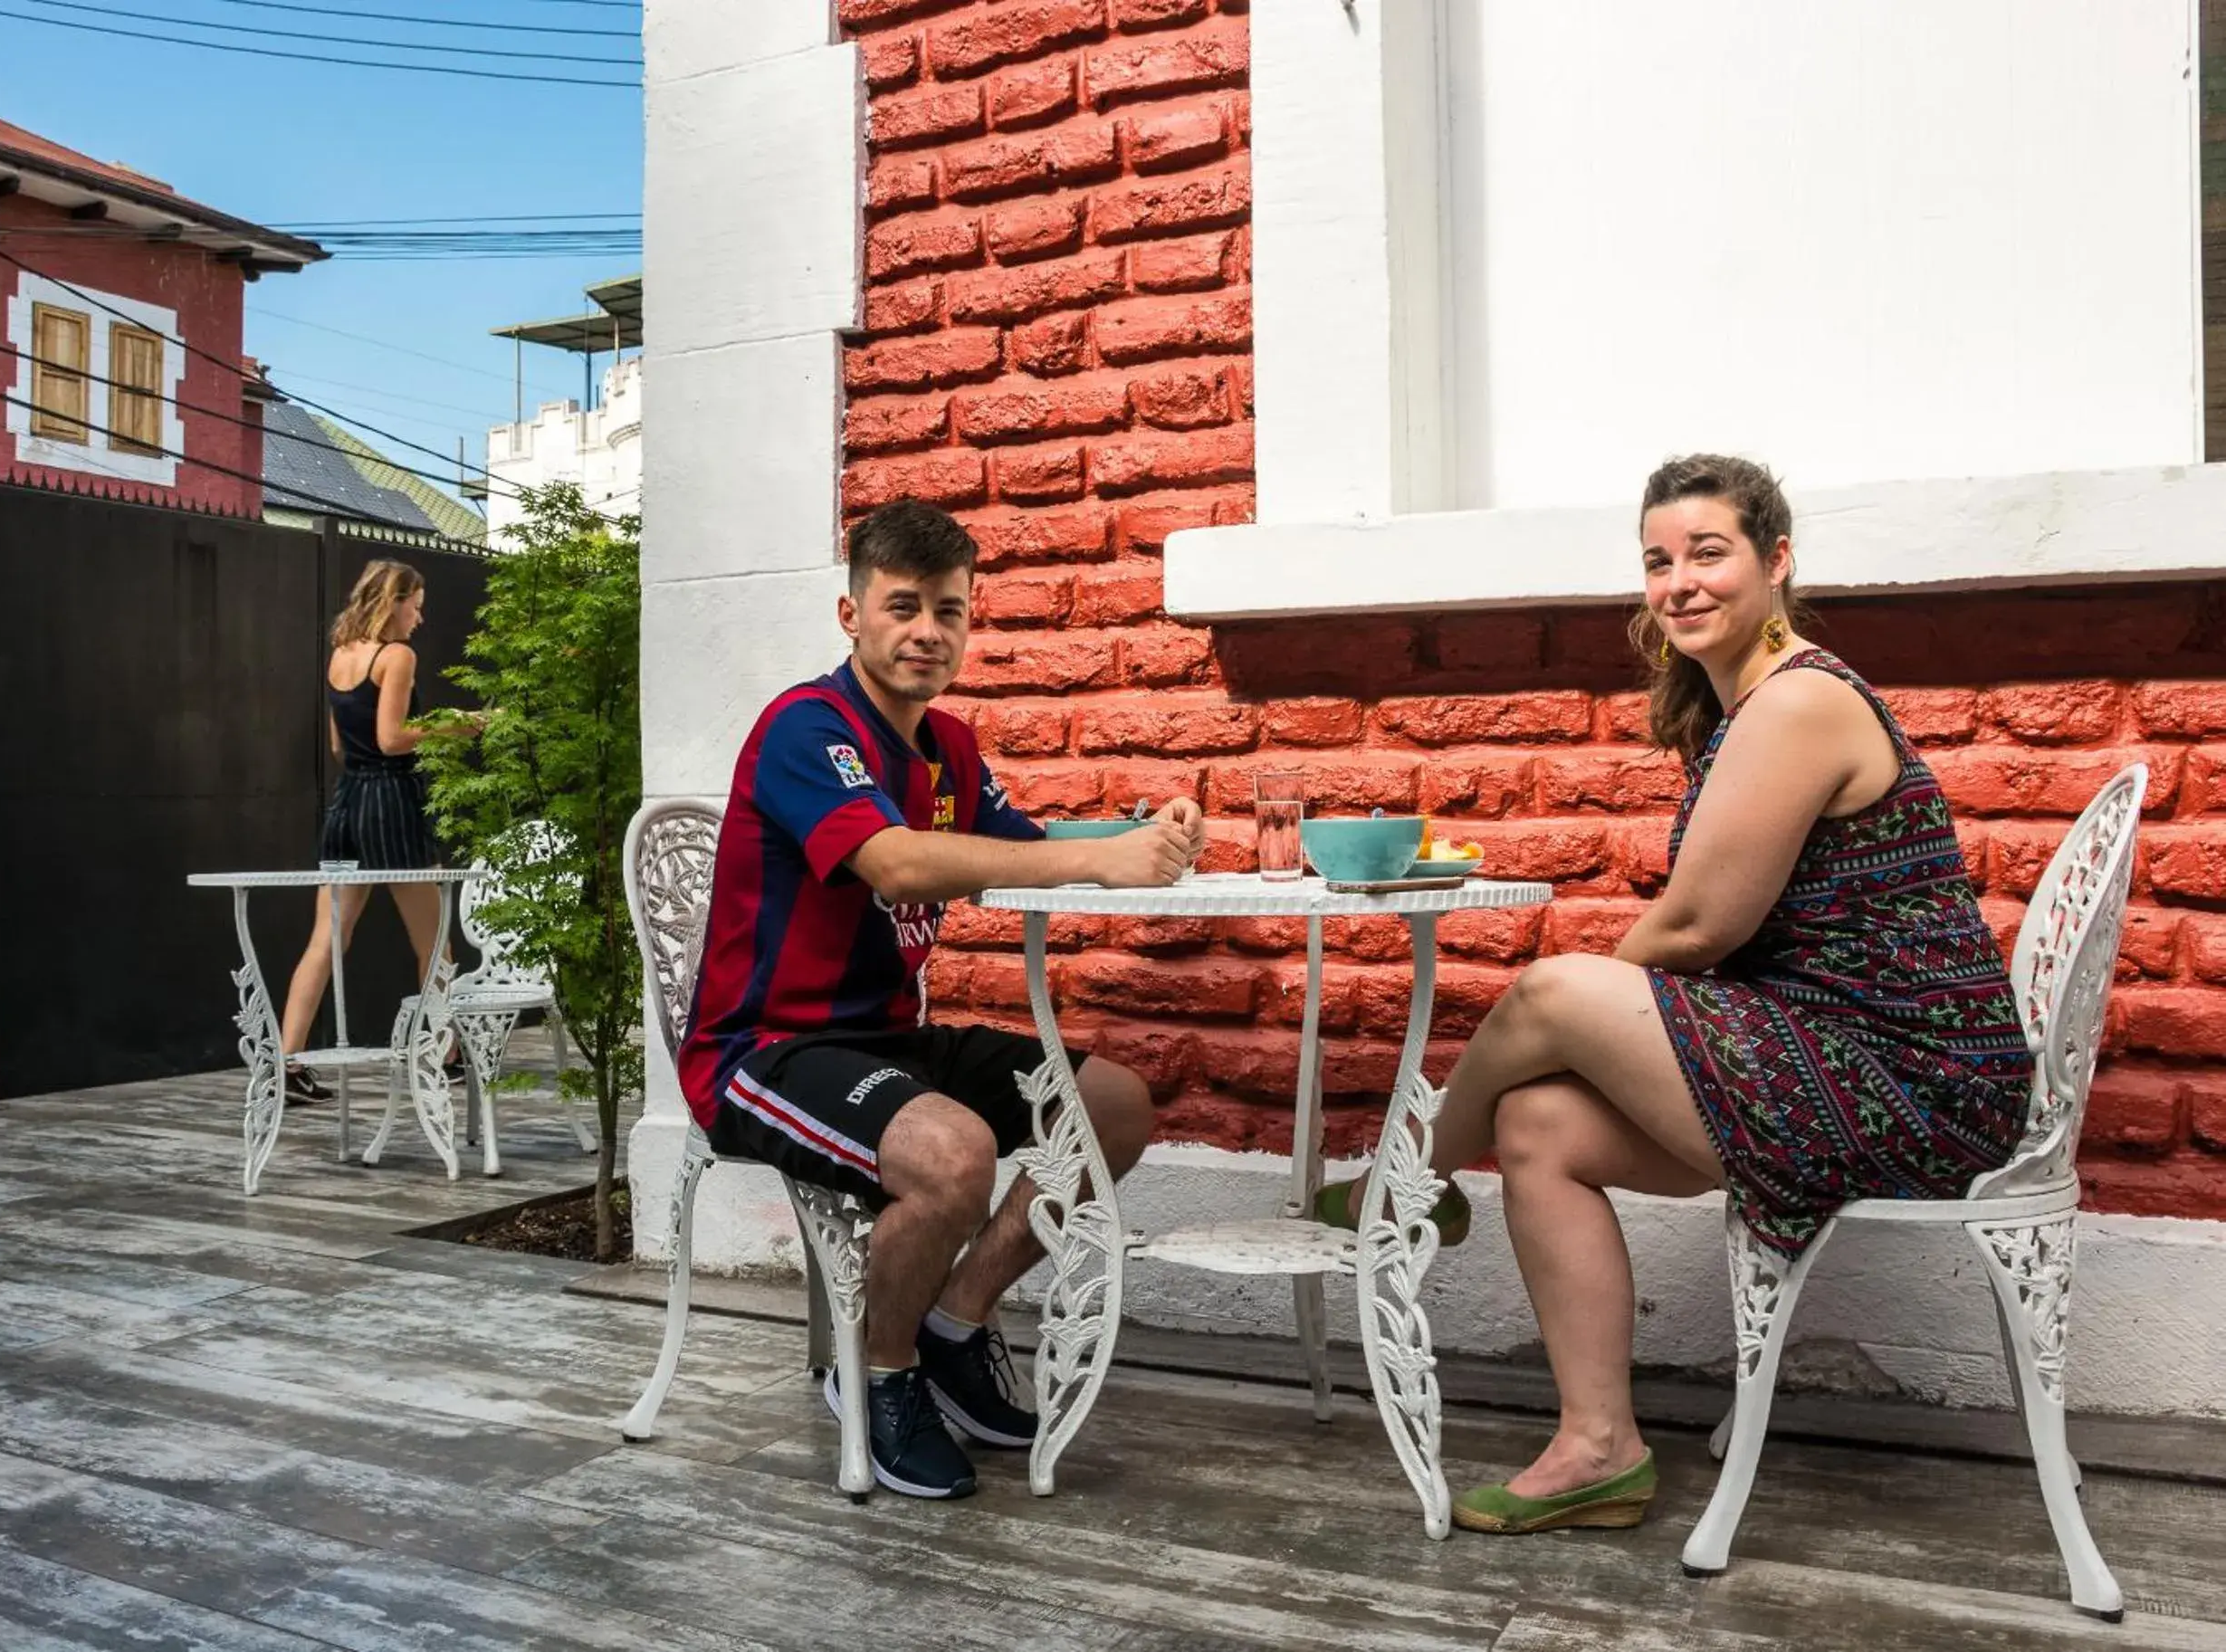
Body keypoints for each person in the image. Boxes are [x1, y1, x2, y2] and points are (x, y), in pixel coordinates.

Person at [1319, 454, 2032, 1534]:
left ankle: (1406, 1184)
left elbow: (1703, 927)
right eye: (1657, 561)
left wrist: (1587, 1009)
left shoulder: (1798, 702)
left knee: (1551, 993)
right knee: (1538, 1119)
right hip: (1826, 1052)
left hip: (1909, 1083)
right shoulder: (1744, 705)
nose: (1678, 582)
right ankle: (1598, 1446)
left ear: (1776, 560)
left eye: (1708, 553)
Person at [679, 501, 1204, 1501]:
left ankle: (953, 1322)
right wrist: (1101, 862)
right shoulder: (806, 727)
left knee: (1113, 1106)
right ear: (850, 613)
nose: (927, 630)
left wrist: (1145, 827)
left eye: (949, 609)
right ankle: (876, 1372)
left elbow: (1032, 839)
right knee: (954, 1151)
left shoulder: (950, 747)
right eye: (902, 605)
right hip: (763, 1052)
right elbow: (899, 863)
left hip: (887, 1037)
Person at [279, 559, 461, 1099]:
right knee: (434, 941)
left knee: (326, 939)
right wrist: (453, 726)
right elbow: (391, 738)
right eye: (417, 606)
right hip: (392, 805)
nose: (420, 619)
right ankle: (445, 1055)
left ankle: (285, 1065)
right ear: (394, 601)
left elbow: (340, 746)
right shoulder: (397, 656)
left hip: (346, 805)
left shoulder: (341, 656)